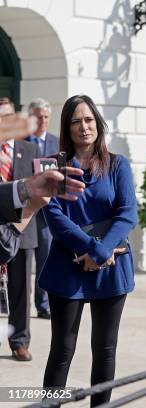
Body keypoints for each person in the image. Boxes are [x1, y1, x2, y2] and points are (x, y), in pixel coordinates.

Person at [39, 95, 137, 407]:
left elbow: (128, 214)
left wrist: (101, 252)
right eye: (76, 121)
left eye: (89, 119)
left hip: (111, 266)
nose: (84, 127)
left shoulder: (118, 164)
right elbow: (54, 218)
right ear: (67, 127)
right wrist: (94, 249)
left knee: (106, 349)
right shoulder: (50, 166)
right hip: (66, 268)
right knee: (62, 351)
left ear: (98, 123)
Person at [0, 97, 41, 361]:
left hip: (22, 229)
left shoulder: (30, 150)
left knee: (20, 289)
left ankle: (20, 341)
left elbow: (39, 191)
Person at [26, 98, 60, 320]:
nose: (43, 121)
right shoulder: (20, 142)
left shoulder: (57, 143)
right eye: (39, 117)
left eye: (46, 117)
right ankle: (18, 306)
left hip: (47, 212)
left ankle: (43, 304)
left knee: (45, 259)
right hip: (25, 212)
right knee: (21, 263)